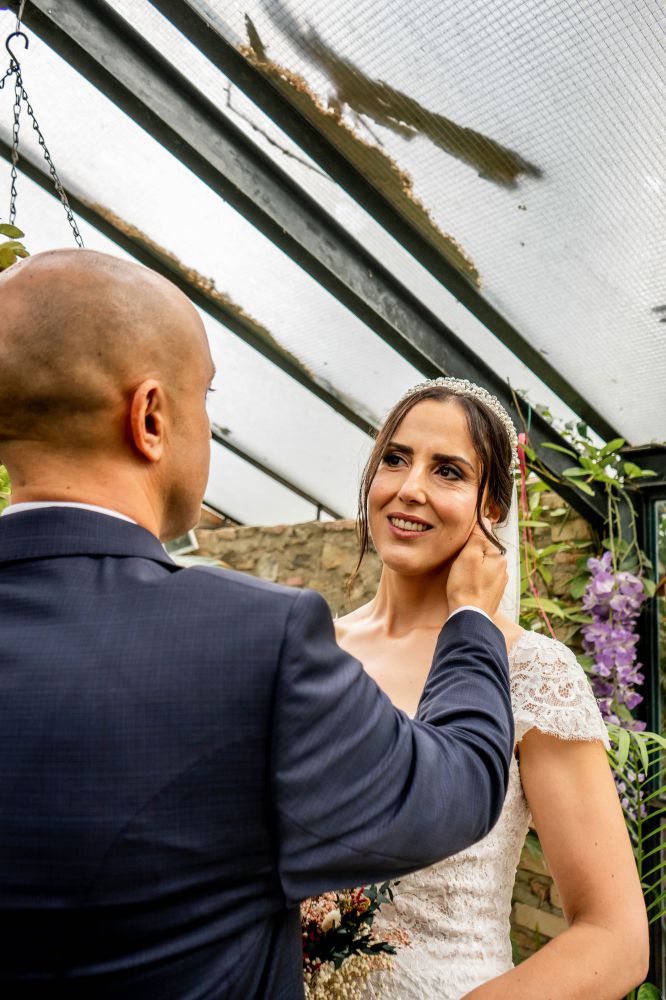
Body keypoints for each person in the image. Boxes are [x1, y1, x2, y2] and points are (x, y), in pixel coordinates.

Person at [0, 249, 515, 999]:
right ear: (150, 417)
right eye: (203, 397)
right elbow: (456, 786)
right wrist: (472, 622)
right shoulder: (256, 641)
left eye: (447, 470)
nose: (409, 488)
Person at [335, 378, 649, 1000]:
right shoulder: (315, 648)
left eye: (448, 471)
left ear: (494, 510)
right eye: (395, 459)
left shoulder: (530, 670)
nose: (410, 487)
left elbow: (615, 940)